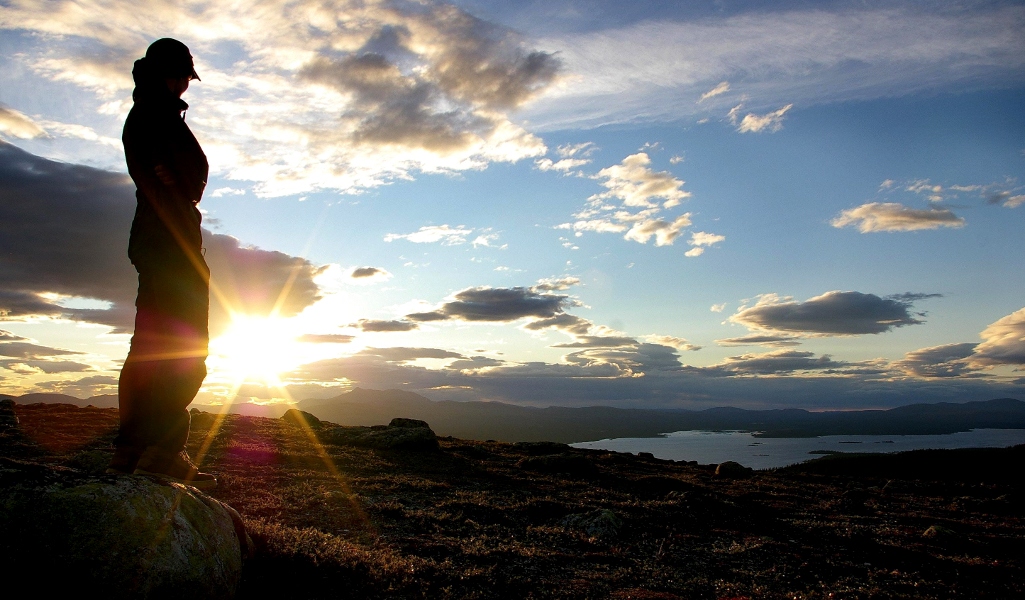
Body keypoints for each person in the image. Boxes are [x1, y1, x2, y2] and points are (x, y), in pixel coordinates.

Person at [107, 38, 216, 489]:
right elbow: (189, 179)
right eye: (183, 78)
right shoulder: (157, 116)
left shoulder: (147, 114)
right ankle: (162, 453)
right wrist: (183, 180)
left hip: (155, 241)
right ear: (171, 76)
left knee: (150, 346)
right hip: (171, 242)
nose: (185, 87)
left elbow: (186, 177)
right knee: (185, 349)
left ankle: (131, 450)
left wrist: (183, 178)